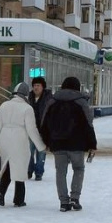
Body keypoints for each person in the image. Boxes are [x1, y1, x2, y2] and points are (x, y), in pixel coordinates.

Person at [40, 77, 97, 212]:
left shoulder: (52, 102)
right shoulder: (81, 102)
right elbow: (88, 125)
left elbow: (44, 123)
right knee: (78, 169)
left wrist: (47, 141)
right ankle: (75, 198)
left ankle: (63, 202)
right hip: (77, 144)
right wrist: (92, 144)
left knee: (60, 172)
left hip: (57, 143)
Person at [0, 82, 46, 207]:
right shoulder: (27, 108)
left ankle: (2, 191)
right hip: (20, 138)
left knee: (8, 165)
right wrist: (41, 146)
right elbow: (31, 129)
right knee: (20, 167)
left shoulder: (4, 105)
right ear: (25, 94)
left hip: (5, 137)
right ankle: (18, 199)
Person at [27, 76, 53, 181]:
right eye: (34, 85)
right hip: (31, 129)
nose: (36, 88)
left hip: (43, 130)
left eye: (38, 85)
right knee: (29, 151)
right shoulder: (29, 98)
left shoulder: (48, 98)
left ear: (43, 87)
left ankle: (39, 172)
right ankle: (29, 170)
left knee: (41, 152)